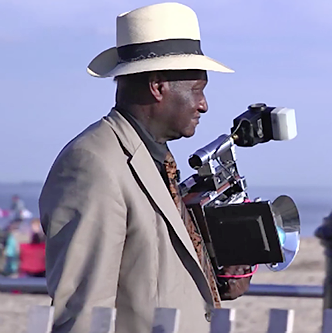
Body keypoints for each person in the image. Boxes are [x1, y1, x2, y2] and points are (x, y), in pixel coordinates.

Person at [39, 3, 253, 333]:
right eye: (197, 89)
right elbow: (84, 311)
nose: (204, 105)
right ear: (158, 86)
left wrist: (216, 279)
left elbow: (152, 277)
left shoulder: (153, 158)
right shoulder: (93, 163)